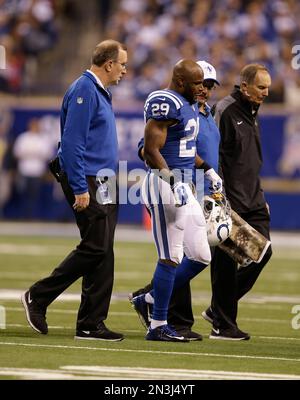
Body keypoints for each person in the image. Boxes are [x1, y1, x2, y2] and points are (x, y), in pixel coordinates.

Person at [21, 39, 128, 341]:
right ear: (108, 64)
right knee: (95, 246)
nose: (125, 70)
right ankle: (38, 297)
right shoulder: (84, 89)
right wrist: (80, 186)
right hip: (90, 179)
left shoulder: (99, 91)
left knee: (104, 249)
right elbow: (71, 144)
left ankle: (91, 323)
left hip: (105, 179)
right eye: (122, 64)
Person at [130, 61, 224, 341]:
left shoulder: (189, 105)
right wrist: (173, 182)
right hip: (164, 186)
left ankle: (148, 298)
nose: (202, 89)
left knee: (201, 255)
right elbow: (150, 150)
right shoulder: (164, 102)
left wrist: (206, 168)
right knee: (171, 256)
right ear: (181, 82)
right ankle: (158, 325)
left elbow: (184, 147)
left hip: (184, 186)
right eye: (197, 84)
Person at [201, 63, 273, 340]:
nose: (266, 92)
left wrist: (260, 194)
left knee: (262, 253)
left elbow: (248, 162)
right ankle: (222, 323)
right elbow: (212, 154)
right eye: (261, 87)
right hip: (229, 201)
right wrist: (218, 198)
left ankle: (218, 310)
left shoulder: (252, 112)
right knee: (225, 265)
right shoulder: (226, 110)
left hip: (253, 200)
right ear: (245, 87)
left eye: (267, 87)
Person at [12, 118, 54, 219]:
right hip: (24, 170)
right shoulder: (23, 138)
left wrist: (32, 153)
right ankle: (22, 216)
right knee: (22, 194)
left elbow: (48, 154)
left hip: (37, 171)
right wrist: (31, 153)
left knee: (34, 195)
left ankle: (32, 217)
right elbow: (16, 153)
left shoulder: (43, 139)